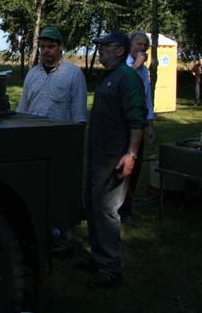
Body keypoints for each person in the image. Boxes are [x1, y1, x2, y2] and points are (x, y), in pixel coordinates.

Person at [80, 31, 146, 287]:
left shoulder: (128, 78)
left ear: (120, 50)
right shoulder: (109, 76)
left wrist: (131, 154)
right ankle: (98, 257)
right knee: (93, 205)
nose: (100, 50)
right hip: (98, 155)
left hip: (115, 158)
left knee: (107, 210)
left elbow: (137, 120)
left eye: (106, 46)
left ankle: (110, 267)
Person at [16, 25, 88, 124]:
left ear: (61, 46)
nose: (46, 50)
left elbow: (79, 115)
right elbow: (22, 110)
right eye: (42, 47)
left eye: (51, 46)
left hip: (60, 133)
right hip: (32, 132)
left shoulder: (74, 74)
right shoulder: (32, 74)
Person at [119, 31, 155, 227]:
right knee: (121, 165)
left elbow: (147, 98)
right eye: (138, 44)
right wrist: (136, 66)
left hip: (138, 123)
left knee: (135, 165)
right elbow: (124, 85)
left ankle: (127, 207)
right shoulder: (123, 66)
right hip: (122, 124)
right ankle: (117, 207)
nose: (142, 48)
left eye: (145, 46)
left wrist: (150, 124)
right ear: (130, 45)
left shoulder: (144, 70)